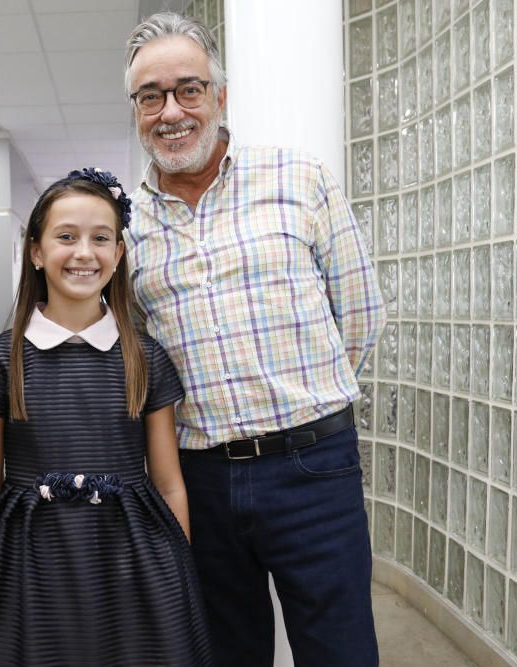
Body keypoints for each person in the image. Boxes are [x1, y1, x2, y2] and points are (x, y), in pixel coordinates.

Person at [124, 13, 387, 667]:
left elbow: (359, 316)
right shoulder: (126, 228)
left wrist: (300, 405)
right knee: (227, 651)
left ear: (220, 96)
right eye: (150, 96)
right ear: (136, 110)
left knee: (341, 650)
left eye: (189, 88)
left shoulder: (299, 179)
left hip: (313, 469)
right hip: (200, 480)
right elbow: (138, 360)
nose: (171, 111)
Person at [0, 169, 213, 666]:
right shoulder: (0, 361)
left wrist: (178, 573)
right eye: (65, 237)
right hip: (29, 557)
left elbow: (169, 483)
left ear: (118, 254)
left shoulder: (147, 358)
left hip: (131, 556)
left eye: (100, 239)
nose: (83, 253)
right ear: (36, 251)